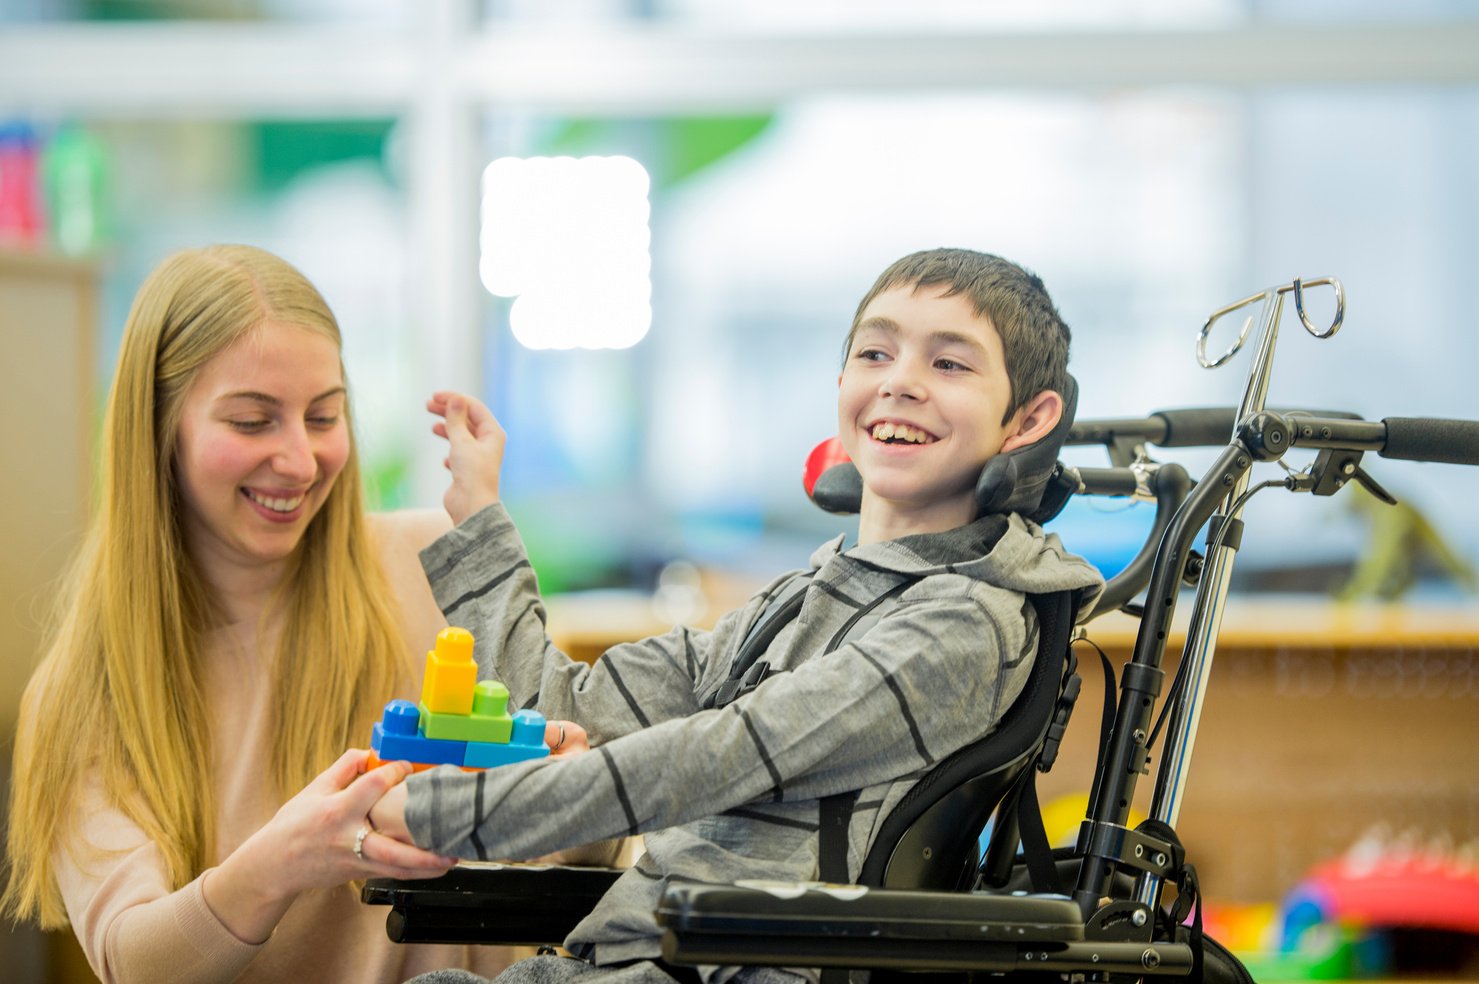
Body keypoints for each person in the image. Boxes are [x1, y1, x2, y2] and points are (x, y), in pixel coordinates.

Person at [370, 247, 1106, 984]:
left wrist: (447, 814)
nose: (900, 383)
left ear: (1029, 419)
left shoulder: (967, 623)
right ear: (842, 382)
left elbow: (721, 754)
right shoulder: (803, 598)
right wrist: (478, 518)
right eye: (875, 352)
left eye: (949, 365)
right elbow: (559, 709)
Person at [1, 244, 595, 984]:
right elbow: (134, 962)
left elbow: (565, 870)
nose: (301, 461)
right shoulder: (84, 693)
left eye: (323, 417)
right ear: (159, 432)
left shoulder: (438, 564)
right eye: (252, 421)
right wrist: (281, 864)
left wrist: (586, 801)